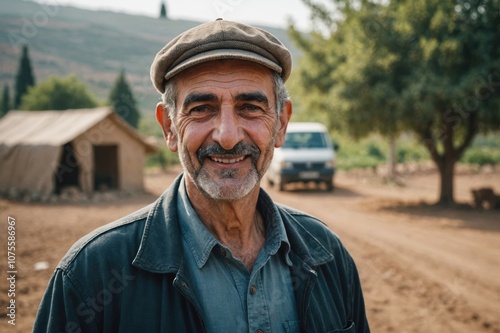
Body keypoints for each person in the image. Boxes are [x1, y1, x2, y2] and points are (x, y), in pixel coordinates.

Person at [33, 19, 370, 333]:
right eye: (201, 109)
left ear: (280, 124)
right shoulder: (91, 274)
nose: (227, 136)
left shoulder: (327, 255)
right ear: (169, 128)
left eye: (250, 108)